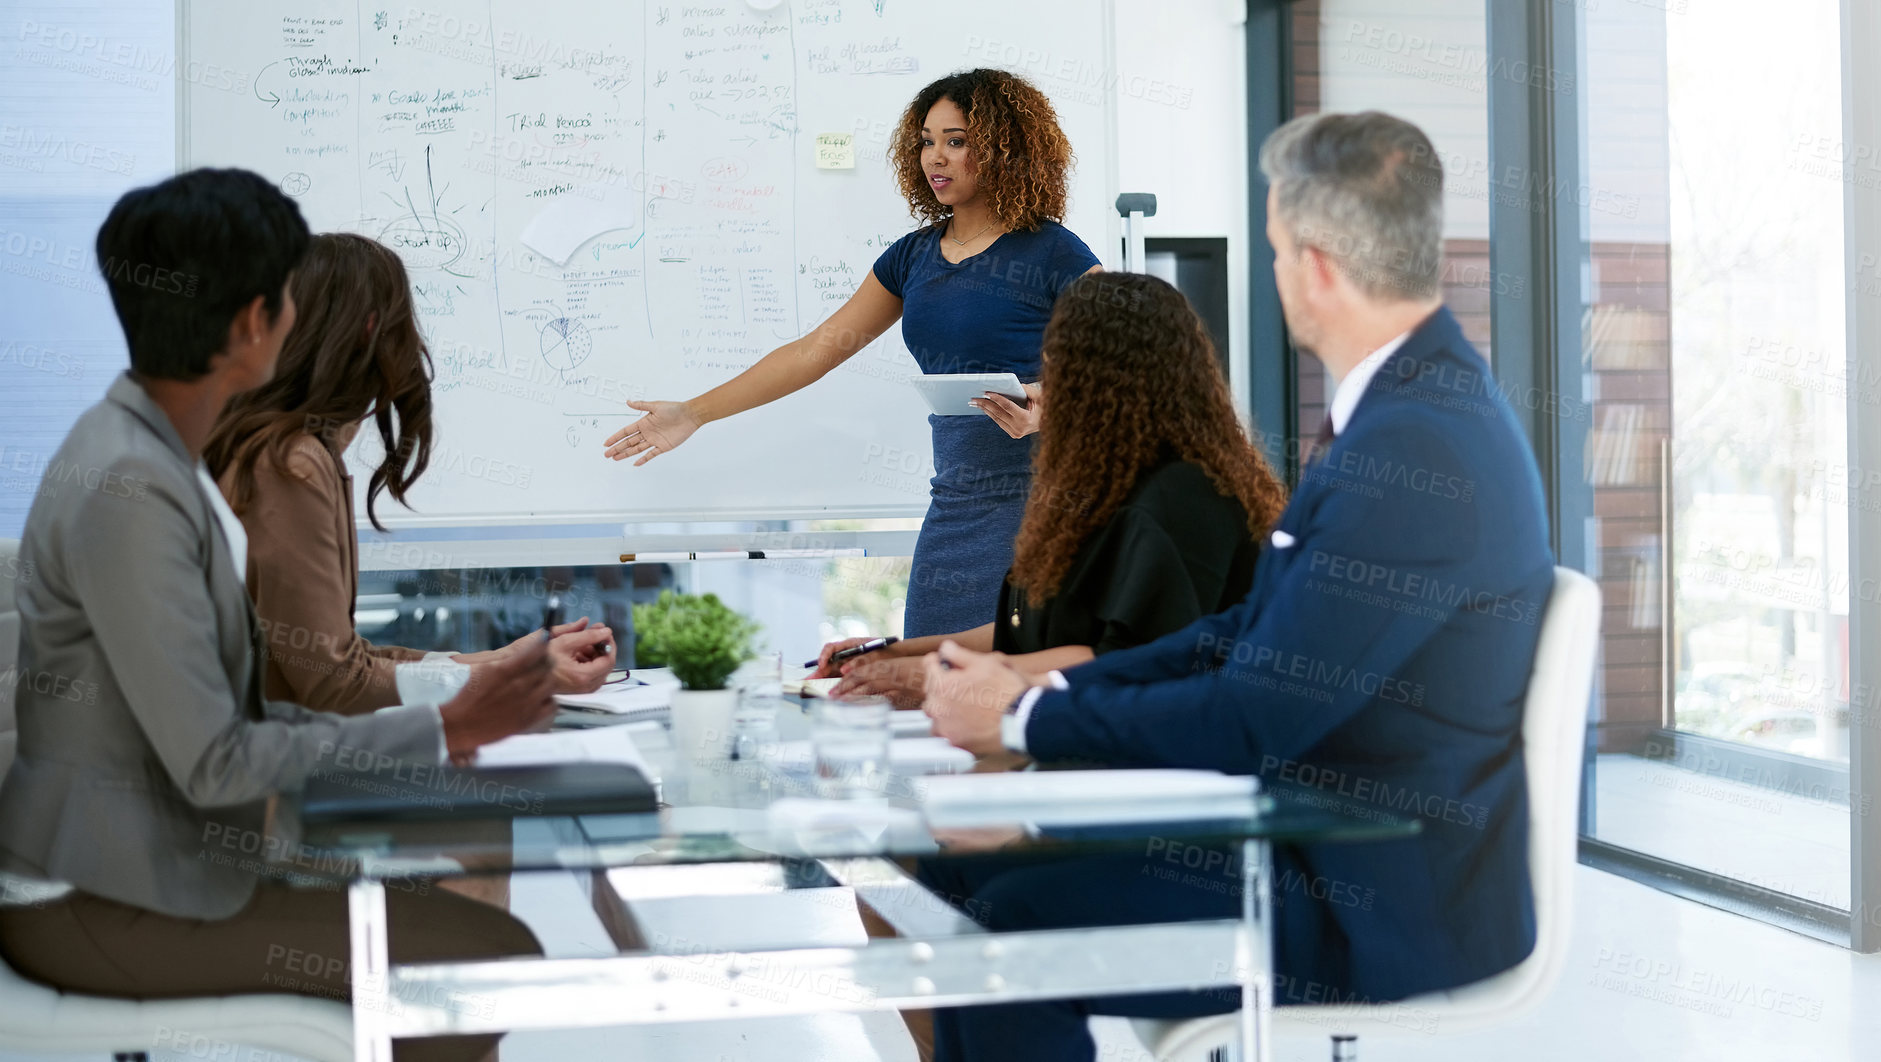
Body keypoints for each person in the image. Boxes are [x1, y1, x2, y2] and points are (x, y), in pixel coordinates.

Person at [916, 112, 1555, 1062]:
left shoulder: (1415, 442)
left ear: (1318, 265)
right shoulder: (1415, 405)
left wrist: (1022, 728)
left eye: (1275, 252)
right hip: (1327, 844)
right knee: (970, 889)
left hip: (1374, 895)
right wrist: (1040, 691)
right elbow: (1247, 632)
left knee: (1008, 924)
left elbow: (1260, 713)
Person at [0, 169, 550, 1062]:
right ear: (256, 321)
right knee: (484, 964)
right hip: (103, 899)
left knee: (478, 951)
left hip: (147, 869)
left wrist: (445, 719)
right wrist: (443, 723)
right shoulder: (135, 487)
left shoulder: (151, 459)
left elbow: (241, 713)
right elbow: (220, 760)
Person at [603, 68, 1102, 636]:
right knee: (928, 692)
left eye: (957, 141)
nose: (935, 157)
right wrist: (693, 412)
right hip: (959, 509)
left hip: (1050, 509)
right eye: (927, 141)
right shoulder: (913, 257)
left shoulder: (1054, 251)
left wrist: (1047, 401)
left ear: (1006, 149)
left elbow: (1129, 369)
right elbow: (813, 352)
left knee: (1021, 696)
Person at [812, 272, 1287, 708]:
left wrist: (936, 675)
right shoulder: (1101, 487)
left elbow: (1129, 661)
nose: (1042, 384)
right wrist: (893, 652)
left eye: (1056, 365)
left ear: (1103, 383)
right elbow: (1032, 627)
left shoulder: (1183, 496)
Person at [205, 232, 615, 718]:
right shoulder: (292, 464)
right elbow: (335, 683)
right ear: (370, 331)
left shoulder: (282, 449)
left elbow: (343, 659)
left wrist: (508, 659)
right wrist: (511, 677)